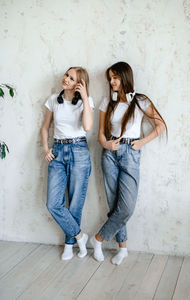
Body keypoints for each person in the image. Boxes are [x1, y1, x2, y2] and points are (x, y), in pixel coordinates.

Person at [90, 61, 167, 265]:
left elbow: (160, 125)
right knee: (114, 204)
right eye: (110, 78)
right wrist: (107, 144)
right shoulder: (108, 101)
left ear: (125, 77)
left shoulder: (140, 100)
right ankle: (122, 248)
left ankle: (98, 239)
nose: (112, 82)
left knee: (126, 207)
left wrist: (141, 142)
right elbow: (100, 135)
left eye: (115, 78)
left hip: (131, 154)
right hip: (109, 154)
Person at [40, 66, 94, 260]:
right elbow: (45, 128)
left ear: (80, 83)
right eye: (66, 75)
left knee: (75, 204)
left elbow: (87, 126)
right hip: (58, 151)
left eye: (72, 78)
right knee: (53, 203)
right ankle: (80, 235)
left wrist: (85, 97)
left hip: (79, 151)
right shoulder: (54, 100)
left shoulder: (86, 102)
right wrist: (46, 149)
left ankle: (69, 245)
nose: (66, 79)